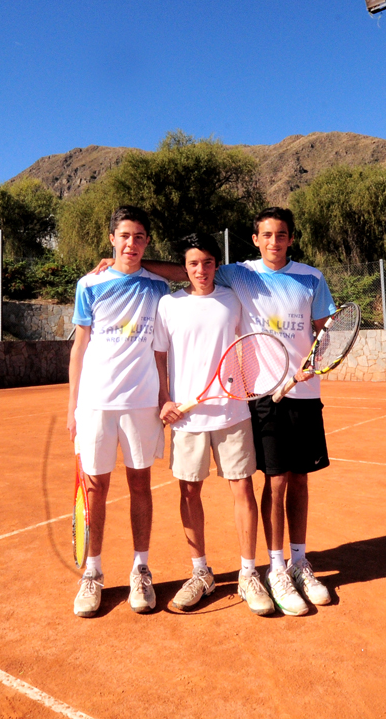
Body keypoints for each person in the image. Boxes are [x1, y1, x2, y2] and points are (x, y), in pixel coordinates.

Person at [127, 207, 337, 616]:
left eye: (281, 235)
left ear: (290, 238)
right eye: (266, 235)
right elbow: (181, 273)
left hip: (276, 399)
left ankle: (280, 566)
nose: (274, 241)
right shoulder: (225, 280)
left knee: (286, 482)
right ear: (255, 239)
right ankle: (235, 570)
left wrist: (315, 360)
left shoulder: (288, 280)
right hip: (232, 404)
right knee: (247, 484)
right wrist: (129, 260)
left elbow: (325, 327)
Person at [152, 233, 275, 616]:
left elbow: (256, 343)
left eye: (207, 263)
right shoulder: (168, 305)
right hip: (187, 418)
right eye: (193, 264)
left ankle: (248, 573)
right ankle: (200, 572)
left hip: (233, 413)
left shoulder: (233, 299)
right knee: (189, 492)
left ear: (215, 265)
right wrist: (165, 400)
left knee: (242, 489)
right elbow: (158, 357)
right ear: (183, 269)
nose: (201, 270)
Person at [68, 206, 171, 618]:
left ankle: (140, 569)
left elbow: (188, 271)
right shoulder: (88, 284)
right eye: (125, 236)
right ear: (111, 238)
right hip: (95, 402)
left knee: (141, 486)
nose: (132, 243)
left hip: (142, 403)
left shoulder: (157, 287)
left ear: (147, 243)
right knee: (95, 488)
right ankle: (92, 574)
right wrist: (72, 407)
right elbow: (79, 347)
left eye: (140, 237)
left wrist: (141, 261)